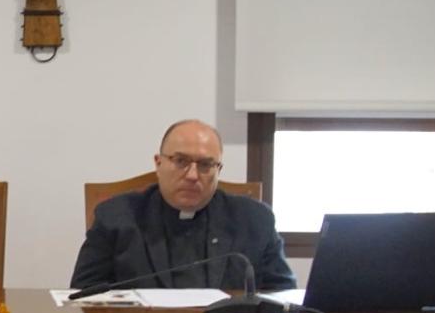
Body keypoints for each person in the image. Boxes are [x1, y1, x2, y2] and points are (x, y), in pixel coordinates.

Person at [70, 120, 295, 291]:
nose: (192, 175)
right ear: (158, 163)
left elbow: (283, 296)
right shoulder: (115, 217)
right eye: (180, 161)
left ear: (219, 171)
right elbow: (82, 295)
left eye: (206, 164)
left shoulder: (254, 219)